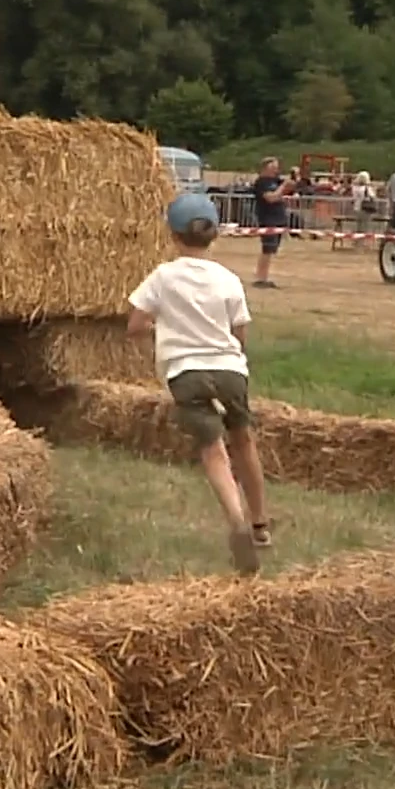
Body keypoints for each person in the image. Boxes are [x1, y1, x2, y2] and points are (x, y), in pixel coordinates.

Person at [127, 192, 271, 576]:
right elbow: (240, 333)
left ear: (173, 236)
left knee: (213, 451)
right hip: (228, 368)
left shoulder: (162, 276)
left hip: (185, 372)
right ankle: (260, 524)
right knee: (243, 440)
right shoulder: (228, 279)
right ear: (215, 234)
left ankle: (236, 519)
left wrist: (161, 335)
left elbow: (135, 326)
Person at [250, 157, 295, 289]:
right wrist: (283, 187)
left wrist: (292, 180)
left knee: (272, 250)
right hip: (268, 218)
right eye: (273, 166)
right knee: (267, 249)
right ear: (266, 167)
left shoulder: (275, 180)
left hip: (278, 218)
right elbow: (271, 197)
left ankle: (265, 276)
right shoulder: (261, 182)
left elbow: (291, 188)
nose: (276, 169)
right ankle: (260, 278)